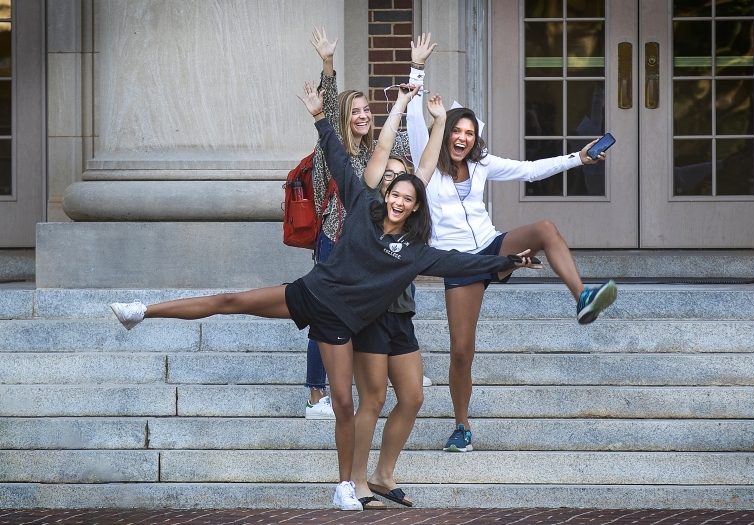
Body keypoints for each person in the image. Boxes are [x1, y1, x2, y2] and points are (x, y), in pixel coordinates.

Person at [109, 79, 535, 511]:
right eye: (395, 194)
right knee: (230, 301)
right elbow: (338, 157)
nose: (399, 201)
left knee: (346, 401)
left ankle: (346, 487)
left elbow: (464, 263)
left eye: (408, 198)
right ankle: (141, 311)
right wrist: (318, 117)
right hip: (311, 293)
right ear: (385, 195)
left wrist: (509, 261)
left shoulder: (414, 253)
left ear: (416, 207)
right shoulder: (361, 206)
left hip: (341, 322)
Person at [406, 33, 617, 453]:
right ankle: (462, 426)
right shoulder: (427, 164)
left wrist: (579, 158)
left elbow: (530, 169)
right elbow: (415, 121)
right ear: (445, 133)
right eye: (456, 131)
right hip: (459, 263)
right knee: (462, 351)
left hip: (491, 244)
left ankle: (583, 297)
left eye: (469, 132)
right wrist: (418, 71)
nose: (463, 138)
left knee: (544, 228)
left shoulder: (483, 164)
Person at [303, 29, 429, 419]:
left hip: (372, 245)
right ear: (344, 117)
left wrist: (417, 71)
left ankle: (398, 365)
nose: (363, 115)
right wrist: (327, 64)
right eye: (355, 111)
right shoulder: (332, 153)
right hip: (335, 241)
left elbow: (405, 133)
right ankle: (316, 394)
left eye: (366, 109)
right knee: (324, 311)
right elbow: (325, 111)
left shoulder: (380, 154)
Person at [349, 88, 452, 510]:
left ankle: (382, 474)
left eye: (401, 182)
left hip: (401, 317)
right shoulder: (371, 207)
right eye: (387, 179)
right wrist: (399, 106)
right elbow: (385, 149)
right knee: (372, 399)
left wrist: (440, 121)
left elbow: (425, 165)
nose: (394, 186)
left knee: (412, 396)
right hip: (370, 317)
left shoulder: (408, 207)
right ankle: (356, 480)